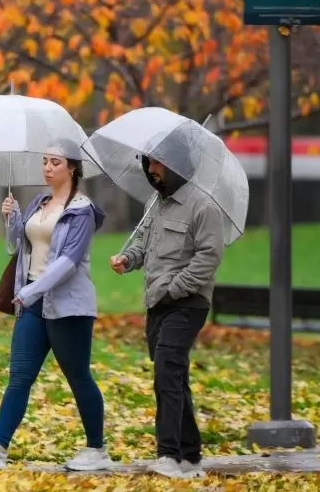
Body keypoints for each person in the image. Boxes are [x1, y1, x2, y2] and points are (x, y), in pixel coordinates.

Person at [0, 139, 112, 473]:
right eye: (44, 161)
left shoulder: (81, 210)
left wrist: (32, 291)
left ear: (72, 167)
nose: (47, 168)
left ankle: (97, 449)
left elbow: (67, 263)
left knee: (78, 377)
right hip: (32, 302)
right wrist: (13, 220)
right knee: (19, 377)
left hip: (68, 307)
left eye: (55, 162)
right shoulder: (39, 201)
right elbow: (18, 245)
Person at [109, 128, 226, 480]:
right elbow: (143, 247)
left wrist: (176, 288)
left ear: (176, 165)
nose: (151, 169)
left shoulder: (204, 206)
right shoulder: (153, 205)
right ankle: (191, 456)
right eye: (148, 161)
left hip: (187, 302)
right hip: (156, 302)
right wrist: (127, 259)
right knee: (173, 375)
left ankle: (169, 455)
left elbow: (209, 256)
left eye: (157, 161)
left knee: (167, 370)